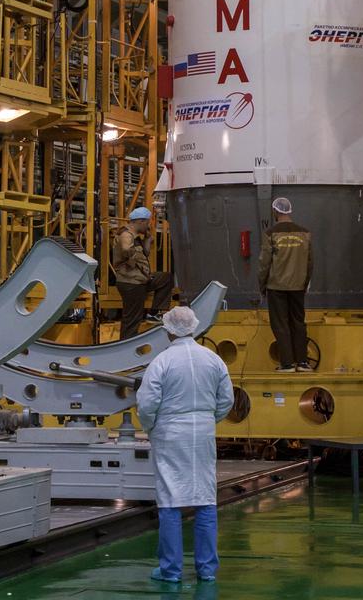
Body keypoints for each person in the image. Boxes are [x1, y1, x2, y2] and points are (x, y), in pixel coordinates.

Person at [136, 305, 234, 584]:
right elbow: (226, 400)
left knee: (169, 499)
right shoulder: (213, 360)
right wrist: (207, 419)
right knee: (205, 497)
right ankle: (206, 570)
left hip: (169, 433)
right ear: (195, 327)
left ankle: (171, 570)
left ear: (168, 330)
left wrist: (151, 426)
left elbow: (147, 403)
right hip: (202, 432)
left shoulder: (162, 362)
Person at [257, 196, 313, 372]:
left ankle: (287, 363)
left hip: (276, 287)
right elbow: (310, 262)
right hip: (298, 286)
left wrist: (262, 285)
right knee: (298, 322)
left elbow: (264, 263)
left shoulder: (270, 233)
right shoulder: (305, 233)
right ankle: (303, 362)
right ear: (289, 210)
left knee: (281, 324)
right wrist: (305, 283)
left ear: (275, 211)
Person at [113, 206, 173, 340]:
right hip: (130, 282)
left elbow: (144, 253)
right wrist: (133, 255)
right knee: (132, 318)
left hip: (140, 279)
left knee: (165, 278)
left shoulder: (137, 237)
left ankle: (154, 312)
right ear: (140, 221)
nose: (148, 226)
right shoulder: (126, 234)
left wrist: (147, 240)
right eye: (147, 223)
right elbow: (126, 249)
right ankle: (126, 345)